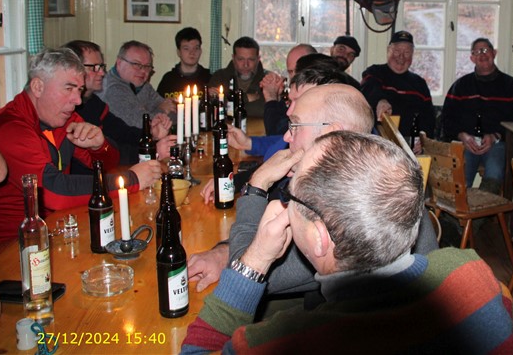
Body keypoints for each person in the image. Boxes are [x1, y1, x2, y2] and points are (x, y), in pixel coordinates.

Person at [181, 131, 513, 354]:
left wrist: (252, 262)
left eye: (290, 195)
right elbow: (504, 307)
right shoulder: (470, 270)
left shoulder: (290, 339)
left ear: (319, 238)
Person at [188, 82, 438, 294]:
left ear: (331, 135)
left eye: (294, 126)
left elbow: (251, 271)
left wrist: (257, 185)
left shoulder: (348, 205)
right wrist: (224, 250)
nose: (286, 137)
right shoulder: (364, 177)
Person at [0, 48, 161, 242]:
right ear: (38, 87)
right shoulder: (9, 129)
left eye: (79, 90)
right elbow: (54, 192)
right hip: (6, 245)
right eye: (69, 89)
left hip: (54, 229)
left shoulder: (62, 118)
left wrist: (99, 147)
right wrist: (131, 180)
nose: (78, 100)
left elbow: (107, 165)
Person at [63, 40, 175, 174]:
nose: (102, 73)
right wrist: (152, 151)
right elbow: (109, 154)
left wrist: (151, 133)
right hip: (89, 180)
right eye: (94, 68)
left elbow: (123, 133)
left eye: (101, 66)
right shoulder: (68, 110)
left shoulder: (93, 102)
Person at [442, 38, 513, 192]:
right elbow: (447, 117)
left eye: (486, 50)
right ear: (472, 58)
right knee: (460, 178)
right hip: (466, 143)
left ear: (494, 53)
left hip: (497, 143)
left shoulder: (511, 86)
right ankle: (460, 207)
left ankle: (484, 206)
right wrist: (462, 135)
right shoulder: (461, 85)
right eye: (477, 52)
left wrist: (495, 136)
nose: (482, 55)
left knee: (495, 172)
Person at [361, 30, 435, 139]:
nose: (401, 57)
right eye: (397, 51)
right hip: (378, 140)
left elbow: (428, 118)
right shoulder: (374, 72)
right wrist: (380, 100)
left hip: (411, 143)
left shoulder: (420, 83)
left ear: (412, 55)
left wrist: (423, 138)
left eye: (407, 53)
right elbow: (369, 89)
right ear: (388, 51)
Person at [97, 40, 177, 128]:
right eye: (136, 64)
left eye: (147, 66)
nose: (143, 71)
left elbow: (174, 114)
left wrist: (154, 112)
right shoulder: (112, 89)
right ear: (119, 63)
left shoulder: (144, 86)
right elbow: (140, 124)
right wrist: (161, 110)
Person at [260, 43, 316, 136]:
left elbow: (278, 136)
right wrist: (277, 97)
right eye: (290, 71)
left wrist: (271, 98)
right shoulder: (298, 94)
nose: (294, 77)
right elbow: (283, 121)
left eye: (299, 70)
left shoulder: (315, 97)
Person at [209, 36, 269, 118]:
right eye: (241, 59)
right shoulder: (220, 77)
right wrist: (245, 98)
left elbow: (262, 110)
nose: (246, 65)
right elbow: (210, 108)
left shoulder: (268, 80)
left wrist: (228, 102)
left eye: (251, 59)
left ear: (258, 59)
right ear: (233, 58)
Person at [155, 27, 212, 98]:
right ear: (179, 52)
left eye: (196, 48)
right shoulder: (168, 79)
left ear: (200, 51)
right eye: (186, 48)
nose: (192, 52)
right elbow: (158, 103)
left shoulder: (208, 79)